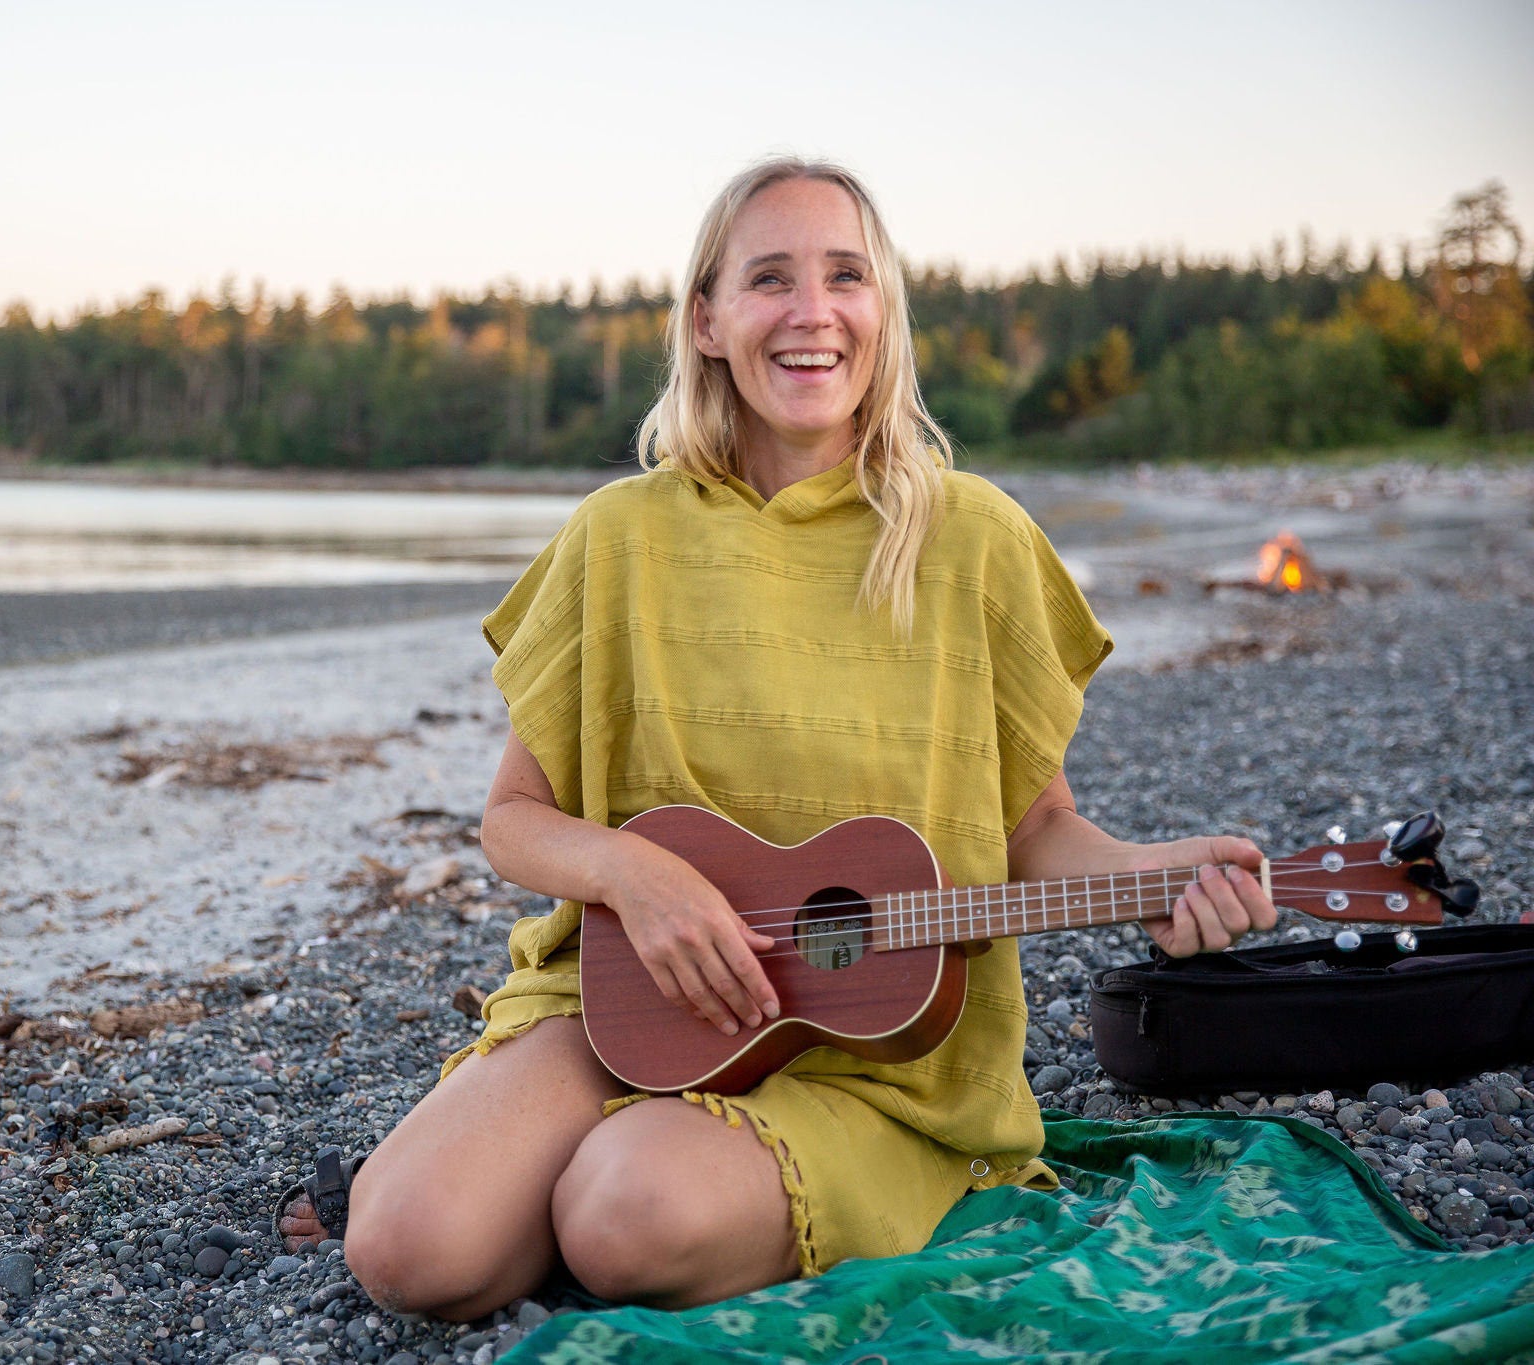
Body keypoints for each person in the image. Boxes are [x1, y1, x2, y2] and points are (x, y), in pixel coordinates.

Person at [277, 156, 1278, 1318]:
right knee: (402, 1251)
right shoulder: (617, 539)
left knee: (625, 1217)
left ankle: (633, 1184)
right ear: (705, 319)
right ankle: (587, 1167)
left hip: (875, 1059)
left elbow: (1036, 830)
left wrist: (1153, 877)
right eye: (768, 280)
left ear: (882, 311)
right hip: (625, 1001)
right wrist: (633, 876)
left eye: (844, 276)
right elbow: (514, 821)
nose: (812, 313)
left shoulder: (977, 541)